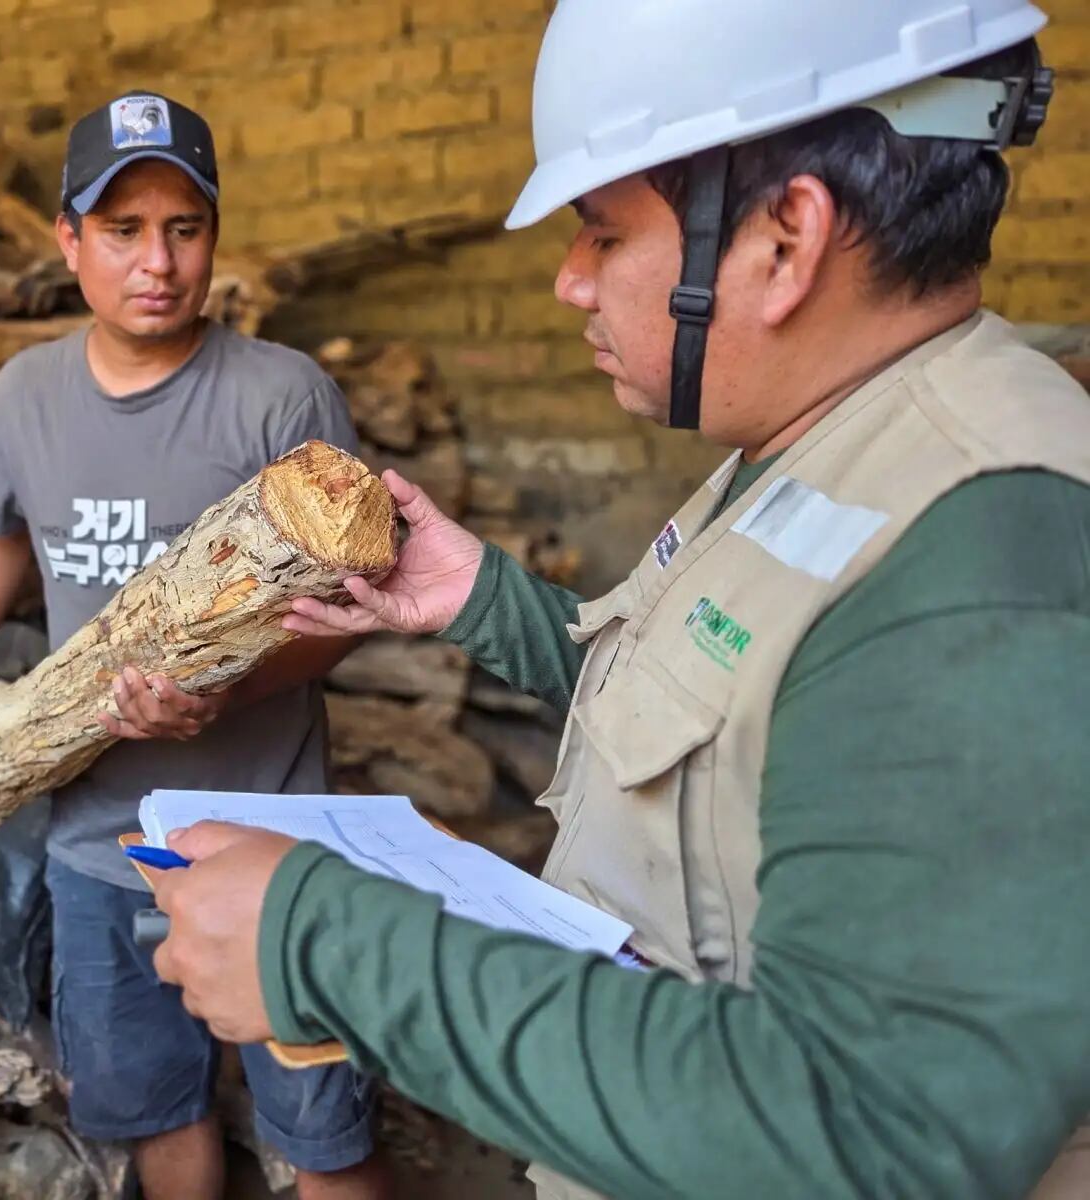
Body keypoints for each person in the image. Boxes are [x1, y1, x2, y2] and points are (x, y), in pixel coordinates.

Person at [146, 3, 1090, 1197]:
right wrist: (483, 601)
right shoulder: (818, 446)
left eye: (599, 234)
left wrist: (324, 939)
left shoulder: (984, 558)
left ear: (785, 241)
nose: (568, 282)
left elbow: (868, 1130)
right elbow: (727, 704)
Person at [0, 91, 390, 1200]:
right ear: (68, 241)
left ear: (215, 238)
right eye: (124, 230)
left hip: (271, 833)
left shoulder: (281, 395)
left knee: (324, 1137)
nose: (159, 262)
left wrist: (225, 695)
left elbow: (354, 602)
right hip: (98, 843)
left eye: (185, 228)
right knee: (160, 1117)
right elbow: (2, 538)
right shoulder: (25, 393)